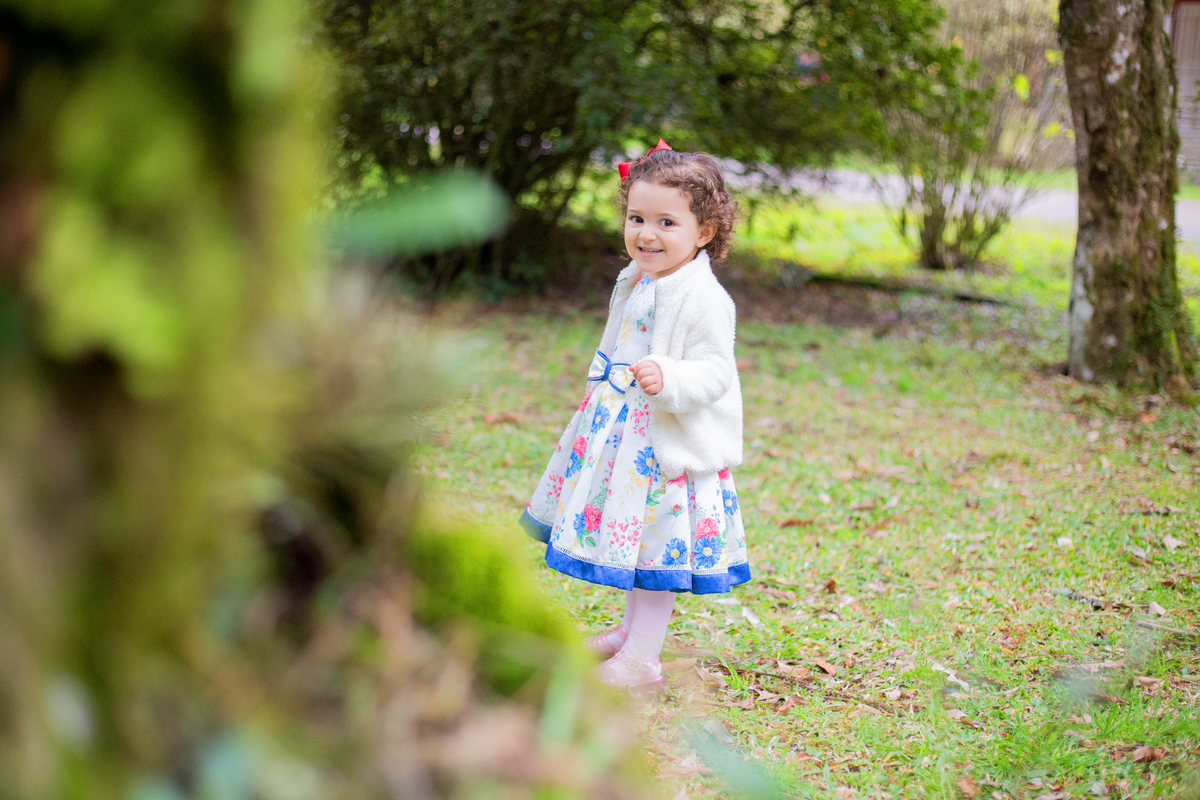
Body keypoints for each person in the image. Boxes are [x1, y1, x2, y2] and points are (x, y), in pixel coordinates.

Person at [520, 139, 750, 693]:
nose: (646, 233)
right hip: (625, 436)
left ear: (705, 231)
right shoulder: (640, 279)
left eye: (666, 222)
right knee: (638, 544)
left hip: (666, 449)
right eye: (636, 217)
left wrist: (669, 377)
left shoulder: (704, 298)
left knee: (657, 546)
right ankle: (630, 635)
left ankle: (643, 660)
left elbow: (716, 371)